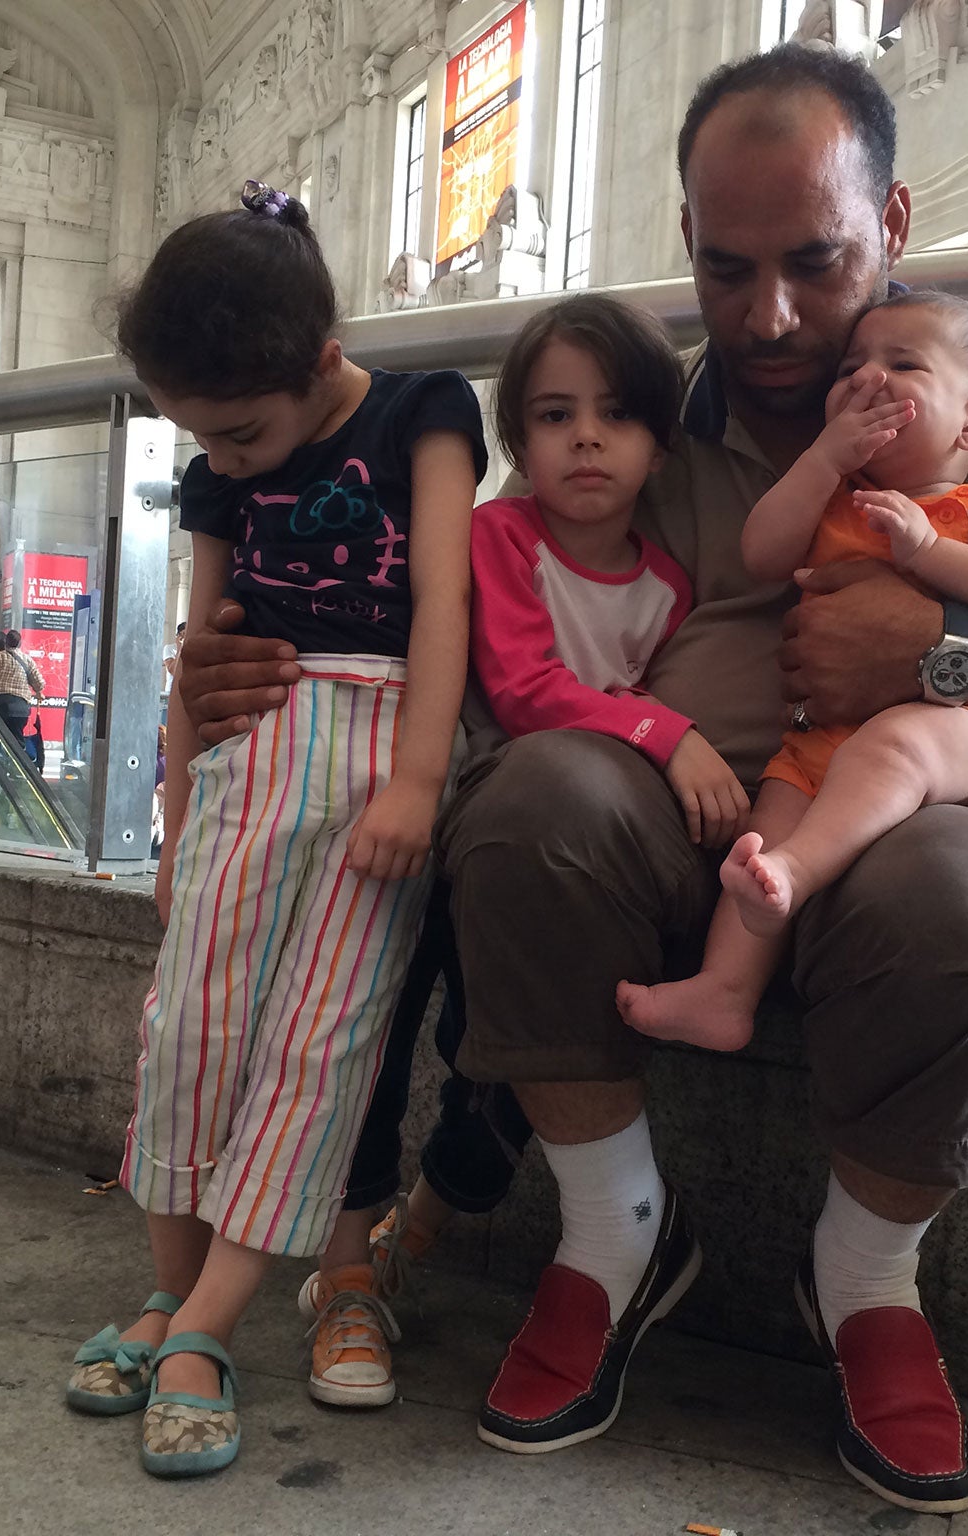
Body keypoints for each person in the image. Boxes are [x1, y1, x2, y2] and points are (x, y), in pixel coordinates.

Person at [178, 44, 968, 1516]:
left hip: (900, 817)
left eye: (817, 261)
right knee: (532, 803)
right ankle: (613, 1235)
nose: (773, 316)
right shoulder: (642, 415)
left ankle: (865, 1281)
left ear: (895, 222)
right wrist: (245, 658)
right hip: (658, 831)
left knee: (963, 924)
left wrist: (948, 655)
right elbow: (456, 595)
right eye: (729, 269)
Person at [63, 178, 484, 1480]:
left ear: (323, 360)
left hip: (377, 760)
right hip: (249, 762)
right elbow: (205, 652)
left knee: (320, 1048)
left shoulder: (428, 414)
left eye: (243, 433)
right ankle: (172, 1301)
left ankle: (204, 1330)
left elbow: (443, 606)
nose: (229, 462)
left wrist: (419, 779)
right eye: (203, 438)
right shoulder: (213, 476)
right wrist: (178, 828)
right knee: (186, 1028)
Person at [305, 293, 693, 1373]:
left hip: (529, 869)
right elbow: (523, 689)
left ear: (660, 442)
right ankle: (350, 1267)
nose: (583, 438)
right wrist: (666, 733)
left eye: (614, 414)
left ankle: (413, 1236)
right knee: (372, 1044)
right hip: (426, 833)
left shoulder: (670, 589)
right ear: (515, 439)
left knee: (507, 1056)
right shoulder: (496, 536)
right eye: (553, 414)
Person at [617, 290, 968, 1051]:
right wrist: (823, 459)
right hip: (818, 738)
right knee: (770, 820)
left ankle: (797, 872)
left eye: (903, 364)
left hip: (956, 736)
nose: (867, 380)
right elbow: (763, 552)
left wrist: (928, 552)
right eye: (852, 366)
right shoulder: (836, 500)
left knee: (891, 752)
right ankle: (726, 991)